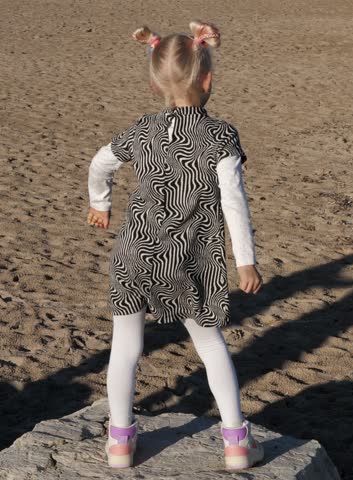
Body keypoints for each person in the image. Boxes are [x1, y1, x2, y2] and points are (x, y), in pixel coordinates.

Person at [86, 20, 264, 470]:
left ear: (152, 83)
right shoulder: (220, 135)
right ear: (207, 79)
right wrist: (245, 261)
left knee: (125, 346)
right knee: (210, 345)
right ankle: (236, 442)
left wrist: (100, 203)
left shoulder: (142, 129)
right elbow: (233, 202)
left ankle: (121, 442)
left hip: (134, 252)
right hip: (193, 259)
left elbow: (100, 163)